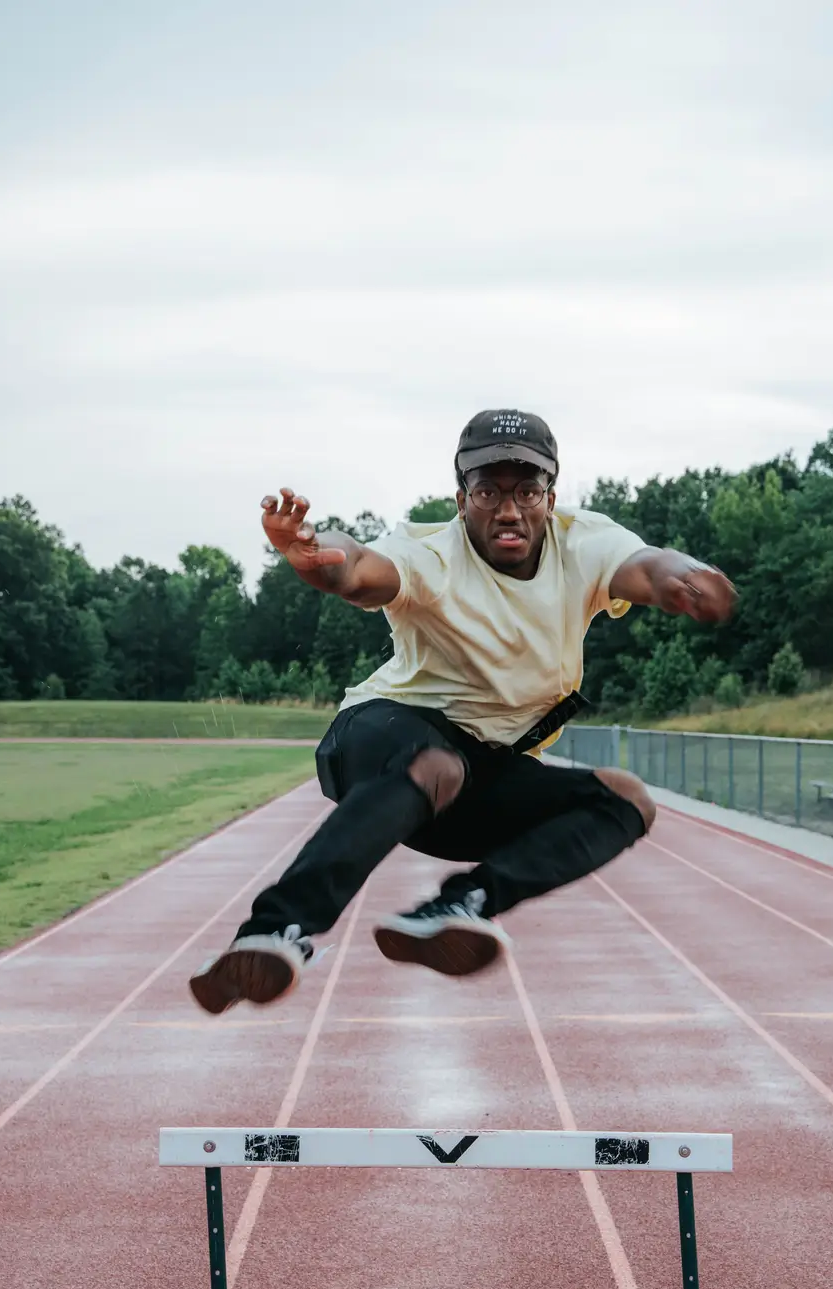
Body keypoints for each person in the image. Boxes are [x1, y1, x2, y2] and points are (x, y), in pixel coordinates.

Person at [190, 409, 735, 1013]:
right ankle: (274, 929)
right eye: (488, 493)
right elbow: (361, 569)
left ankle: (463, 904)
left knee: (625, 798)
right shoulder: (433, 555)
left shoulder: (585, 544)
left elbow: (649, 567)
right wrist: (316, 552)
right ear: (462, 499)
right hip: (376, 738)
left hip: (470, 780)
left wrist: (687, 576)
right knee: (438, 762)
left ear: (550, 497)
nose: (509, 510)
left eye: (526, 491)